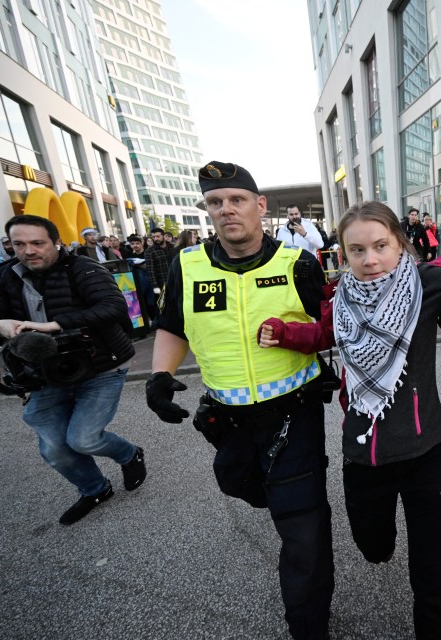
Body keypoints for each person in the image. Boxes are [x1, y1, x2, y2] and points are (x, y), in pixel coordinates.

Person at [258, 201, 441, 639]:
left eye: (380, 246)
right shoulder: (343, 298)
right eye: (356, 250)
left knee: (431, 572)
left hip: (424, 451)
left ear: (400, 243)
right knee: (375, 549)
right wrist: (285, 332)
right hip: (364, 455)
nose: (370, 260)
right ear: (343, 255)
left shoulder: (428, 282)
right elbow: (322, 333)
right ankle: (379, 544)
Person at [145, 162, 334, 639]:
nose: (226, 210)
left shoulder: (298, 263)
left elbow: (334, 328)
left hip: (294, 415)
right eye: (215, 202)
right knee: (240, 485)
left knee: (301, 528)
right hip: (227, 421)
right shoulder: (187, 265)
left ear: (259, 206)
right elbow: (173, 326)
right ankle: (292, 511)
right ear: (207, 210)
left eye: (237, 200)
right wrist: (160, 377)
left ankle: (308, 625)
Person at [0, 214, 145, 525]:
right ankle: (95, 489)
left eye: (37, 243)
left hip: (102, 367)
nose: (29, 251)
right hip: (42, 375)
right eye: (19, 244)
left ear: (56, 242)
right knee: (54, 448)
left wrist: (53, 325)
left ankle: (129, 454)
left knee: (84, 439)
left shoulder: (85, 268)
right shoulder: (4, 277)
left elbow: (114, 308)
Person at [145, 227, 176, 298]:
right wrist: (155, 286)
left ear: (163, 236)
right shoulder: (149, 251)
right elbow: (151, 270)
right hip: (162, 284)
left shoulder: (173, 247)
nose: (156, 239)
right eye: (153, 237)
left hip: (176, 280)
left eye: (158, 236)